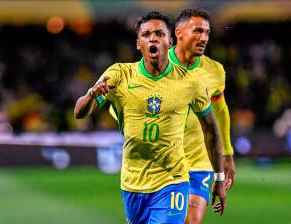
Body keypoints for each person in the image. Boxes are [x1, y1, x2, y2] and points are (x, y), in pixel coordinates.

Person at [74, 11, 226, 224]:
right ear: (138, 44)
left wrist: (218, 178)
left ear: (169, 41)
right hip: (133, 183)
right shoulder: (120, 75)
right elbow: (79, 113)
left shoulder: (190, 82)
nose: (153, 38)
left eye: (159, 33)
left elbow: (211, 130)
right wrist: (92, 95)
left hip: (172, 180)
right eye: (146, 34)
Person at [169, 8, 236, 224]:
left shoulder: (215, 71)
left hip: (199, 162)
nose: (204, 38)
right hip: (164, 163)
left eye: (207, 32)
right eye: (197, 31)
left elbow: (221, 110)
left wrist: (227, 153)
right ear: (179, 33)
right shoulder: (157, 65)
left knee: (191, 221)